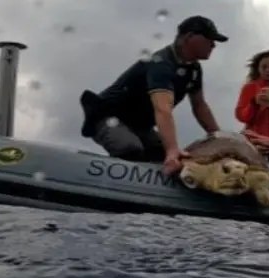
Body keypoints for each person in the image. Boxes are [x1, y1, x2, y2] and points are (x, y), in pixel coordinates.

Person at [80, 15, 228, 174]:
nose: (213, 45)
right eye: (210, 39)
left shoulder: (194, 70)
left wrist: (222, 140)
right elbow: (162, 109)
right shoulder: (161, 64)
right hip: (108, 117)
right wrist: (172, 150)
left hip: (139, 125)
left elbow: (200, 107)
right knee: (130, 148)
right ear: (190, 37)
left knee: (169, 156)